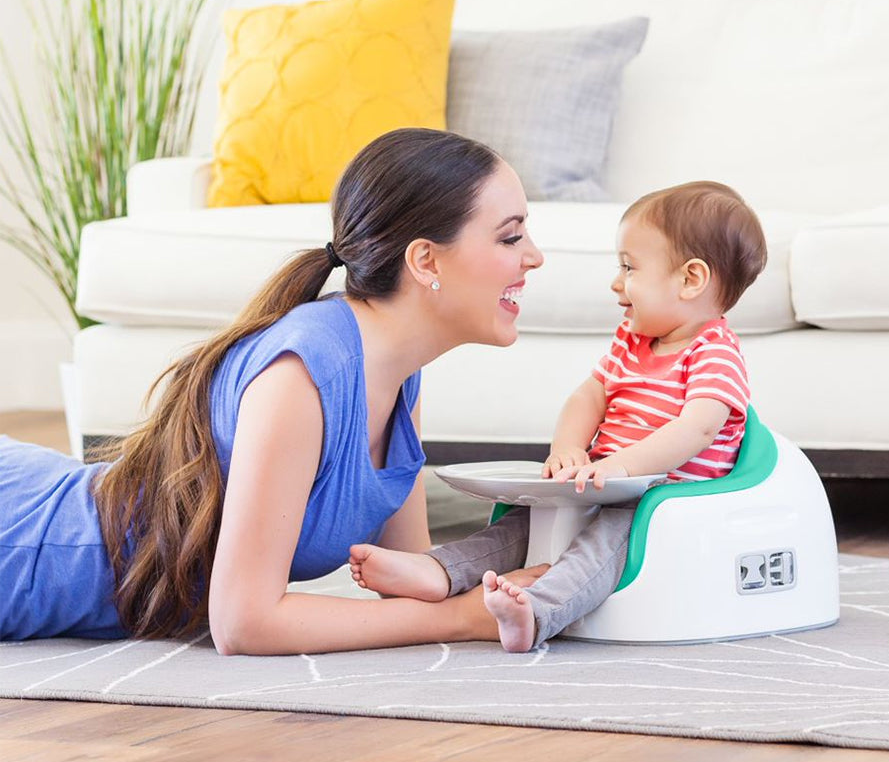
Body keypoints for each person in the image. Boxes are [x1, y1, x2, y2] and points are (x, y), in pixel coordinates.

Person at [0, 128, 547, 652]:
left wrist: (518, 576)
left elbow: (409, 572)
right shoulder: (304, 374)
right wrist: (458, 620)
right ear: (426, 260)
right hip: (23, 544)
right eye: (510, 236)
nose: (534, 257)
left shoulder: (400, 372)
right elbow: (245, 623)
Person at [349, 180, 768, 652]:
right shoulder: (630, 343)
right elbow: (589, 396)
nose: (616, 283)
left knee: (605, 542)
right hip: (604, 480)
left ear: (691, 279)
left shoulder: (713, 350)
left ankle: (538, 610)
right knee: (522, 523)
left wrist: (624, 466)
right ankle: (438, 571)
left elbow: (700, 426)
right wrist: (568, 448)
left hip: (662, 497)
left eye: (629, 268)